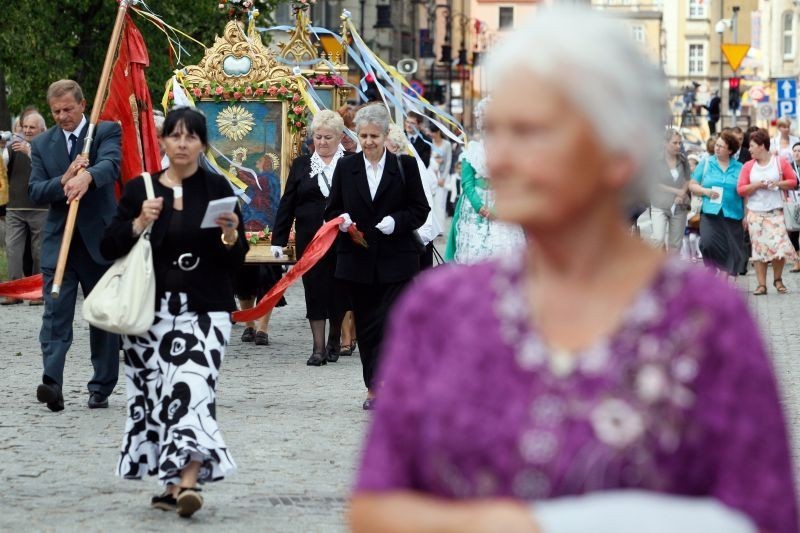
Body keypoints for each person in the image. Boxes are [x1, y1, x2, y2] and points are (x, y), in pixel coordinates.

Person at [350, 7, 797, 533]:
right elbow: (375, 506)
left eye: (533, 131)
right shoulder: (441, 310)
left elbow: (767, 512)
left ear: (618, 152)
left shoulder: (704, 319)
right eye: (498, 132)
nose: (504, 157)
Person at [100, 107, 247, 518]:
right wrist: (137, 223)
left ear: (203, 144)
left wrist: (231, 234)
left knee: (193, 392)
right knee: (158, 398)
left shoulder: (218, 187)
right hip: (150, 315)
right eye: (175, 136)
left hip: (206, 312)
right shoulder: (139, 189)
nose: (182, 143)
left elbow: (236, 260)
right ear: (163, 141)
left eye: (191, 137)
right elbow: (107, 247)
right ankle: (170, 481)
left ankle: (190, 479)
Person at [324, 104, 430, 410]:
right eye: (363, 135)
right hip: (357, 259)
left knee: (389, 323)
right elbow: (331, 209)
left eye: (374, 135)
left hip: (397, 259)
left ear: (385, 135)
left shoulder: (404, 166)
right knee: (368, 326)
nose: (368, 141)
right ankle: (373, 387)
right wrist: (341, 221)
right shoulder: (346, 167)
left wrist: (396, 222)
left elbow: (420, 210)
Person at [28, 80, 121, 412]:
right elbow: (36, 190)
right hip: (60, 243)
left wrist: (87, 177)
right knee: (55, 314)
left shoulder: (105, 130)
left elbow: (111, 166)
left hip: (98, 243)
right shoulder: (41, 144)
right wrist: (64, 179)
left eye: (68, 109)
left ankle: (101, 386)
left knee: (103, 318)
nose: (62, 116)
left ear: (82, 105)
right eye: (56, 111)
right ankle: (52, 383)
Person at [272, 110, 352, 365]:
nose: (322, 142)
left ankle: (335, 339)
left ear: (340, 137)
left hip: (342, 240)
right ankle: (318, 348)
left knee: (340, 292)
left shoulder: (351, 163)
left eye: (328, 137)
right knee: (314, 291)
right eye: (318, 137)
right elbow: (287, 203)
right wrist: (278, 239)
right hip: (310, 241)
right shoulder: (301, 165)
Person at [445, 98, 526, 263]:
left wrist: (495, 209)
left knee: (502, 251)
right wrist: (479, 207)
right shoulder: (472, 151)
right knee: (475, 253)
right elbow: (467, 183)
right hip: (474, 208)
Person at [737, 129, 798, 295]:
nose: (749, 149)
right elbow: (741, 189)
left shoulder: (779, 162)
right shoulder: (748, 166)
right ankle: (761, 284)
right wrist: (757, 185)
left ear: (762, 146)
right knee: (759, 251)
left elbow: (793, 181)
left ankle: (778, 279)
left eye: (752, 146)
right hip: (756, 213)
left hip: (776, 212)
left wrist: (777, 183)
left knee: (779, 247)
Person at [2, 112, 48, 305]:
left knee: (39, 251)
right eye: (25, 127)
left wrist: (29, 152)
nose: (27, 131)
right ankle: (13, 291)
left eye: (32, 127)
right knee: (13, 249)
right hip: (15, 207)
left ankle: (37, 291)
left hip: (41, 207)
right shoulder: (13, 147)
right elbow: (4, 170)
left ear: (42, 130)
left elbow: (49, 169)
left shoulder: (48, 147)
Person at [688, 131, 747, 277]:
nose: (717, 148)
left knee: (730, 248)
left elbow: (745, 194)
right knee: (706, 243)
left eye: (721, 146)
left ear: (730, 150)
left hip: (732, 213)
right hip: (710, 212)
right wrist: (705, 191)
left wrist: (746, 214)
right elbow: (692, 185)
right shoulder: (706, 163)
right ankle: (712, 265)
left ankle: (723, 282)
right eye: (717, 145)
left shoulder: (740, 167)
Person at [386, 122, 442, 269]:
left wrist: (420, 238)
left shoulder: (412, 167)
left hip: (417, 240)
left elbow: (426, 204)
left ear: (396, 147)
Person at [649, 129, 690, 253]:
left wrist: (682, 193)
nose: (678, 146)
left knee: (675, 245)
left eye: (680, 143)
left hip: (679, 206)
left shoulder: (683, 159)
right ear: (665, 143)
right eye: (675, 143)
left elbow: (687, 179)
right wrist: (676, 191)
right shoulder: (655, 160)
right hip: (660, 204)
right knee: (658, 239)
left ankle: (671, 270)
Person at [428, 124, 452, 228]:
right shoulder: (430, 143)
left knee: (441, 203)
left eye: (433, 132)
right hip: (432, 176)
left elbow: (448, 161)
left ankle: (440, 227)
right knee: (432, 203)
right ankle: (434, 227)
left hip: (443, 177)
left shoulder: (446, 144)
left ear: (438, 132)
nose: (431, 134)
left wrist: (443, 177)